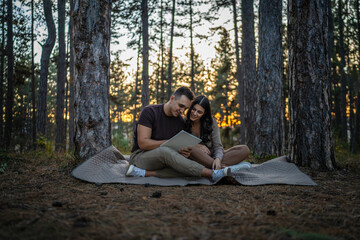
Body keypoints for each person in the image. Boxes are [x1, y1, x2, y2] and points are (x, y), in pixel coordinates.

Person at [126, 87, 230, 181]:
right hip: (140, 158)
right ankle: (212, 173)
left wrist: (185, 153)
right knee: (165, 151)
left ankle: (145, 173)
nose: (182, 111)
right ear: (172, 99)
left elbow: (178, 148)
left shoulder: (180, 122)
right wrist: (168, 143)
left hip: (164, 161)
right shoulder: (150, 111)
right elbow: (143, 143)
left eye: (185, 108)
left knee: (185, 163)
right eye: (181, 106)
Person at [185, 95, 251, 170]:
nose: (195, 113)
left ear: (204, 113)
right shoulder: (184, 122)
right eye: (194, 109)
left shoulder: (211, 123)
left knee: (244, 149)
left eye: (199, 112)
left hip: (212, 157)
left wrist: (218, 159)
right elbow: (182, 143)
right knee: (191, 148)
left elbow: (218, 147)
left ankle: (216, 167)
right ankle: (223, 168)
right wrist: (197, 146)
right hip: (196, 159)